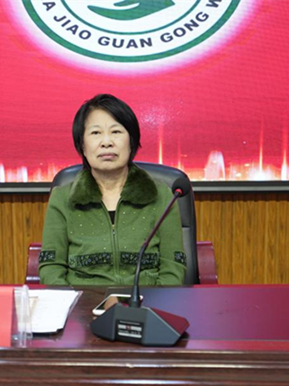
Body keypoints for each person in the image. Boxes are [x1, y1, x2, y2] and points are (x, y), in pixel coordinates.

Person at [39, 94, 186, 286]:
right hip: (84, 301)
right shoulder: (62, 198)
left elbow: (172, 269)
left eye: (116, 132)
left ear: (131, 141)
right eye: (95, 133)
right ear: (82, 145)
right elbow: (51, 268)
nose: (106, 142)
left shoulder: (163, 196)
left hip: (146, 300)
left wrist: (150, 301)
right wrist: (76, 302)